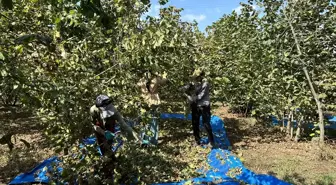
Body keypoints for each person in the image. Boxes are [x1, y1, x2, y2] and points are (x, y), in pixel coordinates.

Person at [180, 69, 215, 147]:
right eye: (195, 78)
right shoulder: (193, 82)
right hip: (195, 106)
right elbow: (186, 87)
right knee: (195, 123)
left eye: (197, 77)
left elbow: (200, 96)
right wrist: (183, 89)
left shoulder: (205, 83)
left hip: (204, 105)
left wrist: (190, 98)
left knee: (206, 123)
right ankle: (197, 141)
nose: (196, 79)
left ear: (201, 76)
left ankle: (211, 142)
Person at [137, 71, 167, 146]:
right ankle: (152, 141)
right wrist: (164, 75)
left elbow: (137, 86)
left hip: (144, 101)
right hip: (153, 101)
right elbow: (164, 81)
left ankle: (143, 140)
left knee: (144, 121)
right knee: (153, 120)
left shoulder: (142, 79)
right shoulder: (155, 78)